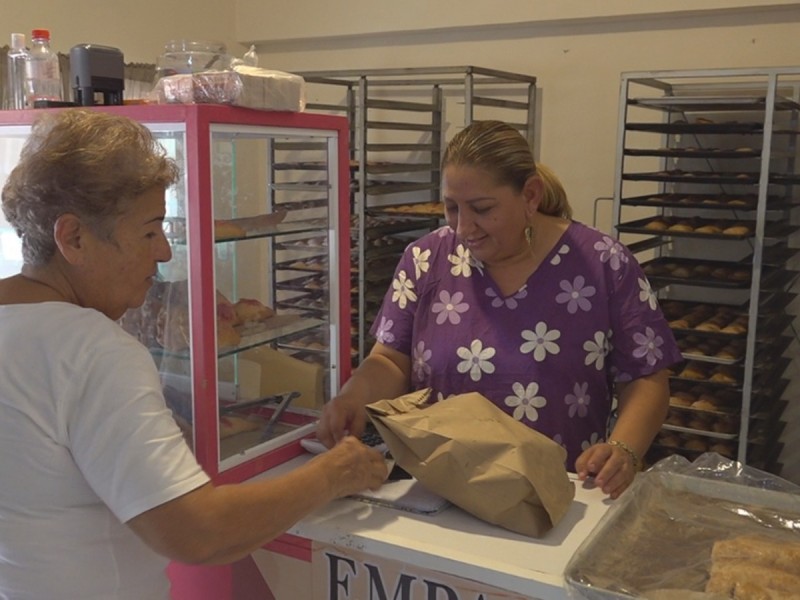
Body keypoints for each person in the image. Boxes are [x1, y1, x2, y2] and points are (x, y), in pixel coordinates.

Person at [0, 109, 387, 599]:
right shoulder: (93, 351)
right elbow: (200, 533)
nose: (163, 252)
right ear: (74, 238)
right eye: (148, 231)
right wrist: (334, 473)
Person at [318, 120, 681, 500]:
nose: (462, 227)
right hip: (438, 487)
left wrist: (623, 448)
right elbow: (392, 360)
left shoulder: (603, 263)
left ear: (530, 195)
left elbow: (646, 377)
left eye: (481, 208)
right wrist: (353, 397)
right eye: (451, 207)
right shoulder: (426, 259)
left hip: (555, 496)